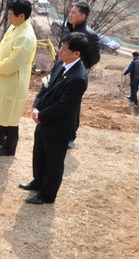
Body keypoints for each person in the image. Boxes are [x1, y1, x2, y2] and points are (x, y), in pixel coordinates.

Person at [19, 32, 89, 204]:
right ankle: (38, 181)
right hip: (43, 119)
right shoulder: (60, 64)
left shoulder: (78, 78)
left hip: (58, 125)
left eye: (65, 49)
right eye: (61, 46)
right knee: (39, 153)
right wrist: (36, 106)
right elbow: (46, 85)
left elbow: (64, 105)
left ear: (76, 53)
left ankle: (47, 195)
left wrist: (41, 115)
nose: (60, 51)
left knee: (53, 161)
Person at [0, 0, 37, 156]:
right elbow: (1, 48)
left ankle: (10, 147)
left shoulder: (26, 36)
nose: (9, 17)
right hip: (4, 74)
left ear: (22, 16)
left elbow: (14, 63)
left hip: (14, 79)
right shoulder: (15, 27)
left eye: (11, 14)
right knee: (3, 107)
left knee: (11, 113)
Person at [60, 1, 102, 148]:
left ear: (83, 16)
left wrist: (80, 67)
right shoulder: (67, 29)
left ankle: (70, 136)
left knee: (73, 106)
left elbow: (95, 57)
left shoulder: (90, 35)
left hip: (75, 74)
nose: (70, 14)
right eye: (70, 12)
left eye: (74, 12)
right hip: (62, 70)